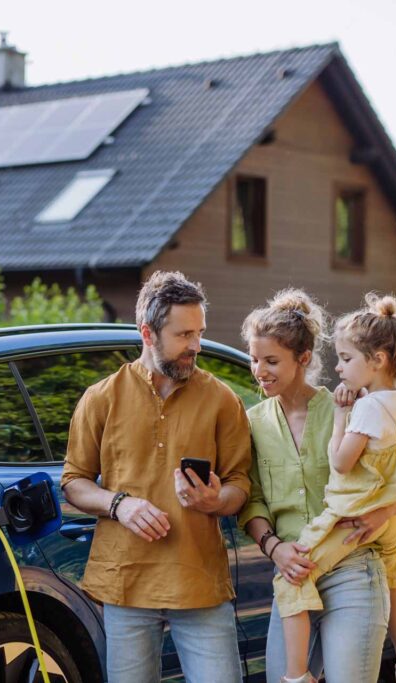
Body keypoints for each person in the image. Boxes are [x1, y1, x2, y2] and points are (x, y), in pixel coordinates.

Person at [61, 270, 251, 683]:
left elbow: (240, 485)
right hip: (125, 584)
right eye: (184, 335)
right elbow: (74, 481)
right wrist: (119, 504)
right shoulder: (101, 398)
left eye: (199, 332)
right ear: (148, 333)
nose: (196, 345)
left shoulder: (223, 400)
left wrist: (216, 501)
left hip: (199, 583)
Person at [239, 288, 396, 683]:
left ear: (303, 359)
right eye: (255, 360)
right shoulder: (252, 423)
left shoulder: (354, 405)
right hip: (294, 571)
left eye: (271, 361)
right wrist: (275, 549)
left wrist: (381, 514)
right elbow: (252, 500)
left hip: (355, 568)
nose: (259, 370)